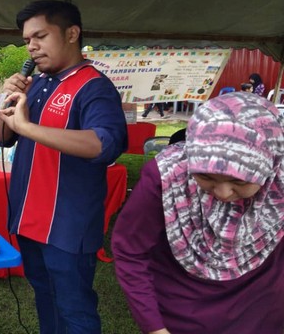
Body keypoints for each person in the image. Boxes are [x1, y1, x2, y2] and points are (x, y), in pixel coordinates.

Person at [0, 0, 128, 334]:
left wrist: (27, 128)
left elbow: (105, 144)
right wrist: (6, 102)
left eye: (40, 36)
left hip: (67, 225)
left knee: (74, 309)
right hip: (29, 218)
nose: (32, 47)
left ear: (71, 34)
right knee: (45, 297)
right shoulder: (36, 83)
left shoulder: (93, 86)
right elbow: (0, 137)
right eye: (27, 40)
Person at [112, 92, 284, 334]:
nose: (223, 193)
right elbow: (131, 251)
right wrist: (155, 327)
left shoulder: (280, 180)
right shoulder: (167, 176)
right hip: (184, 314)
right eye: (205, 176)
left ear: (270, 165)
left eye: (240, 181)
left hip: (262, 311)